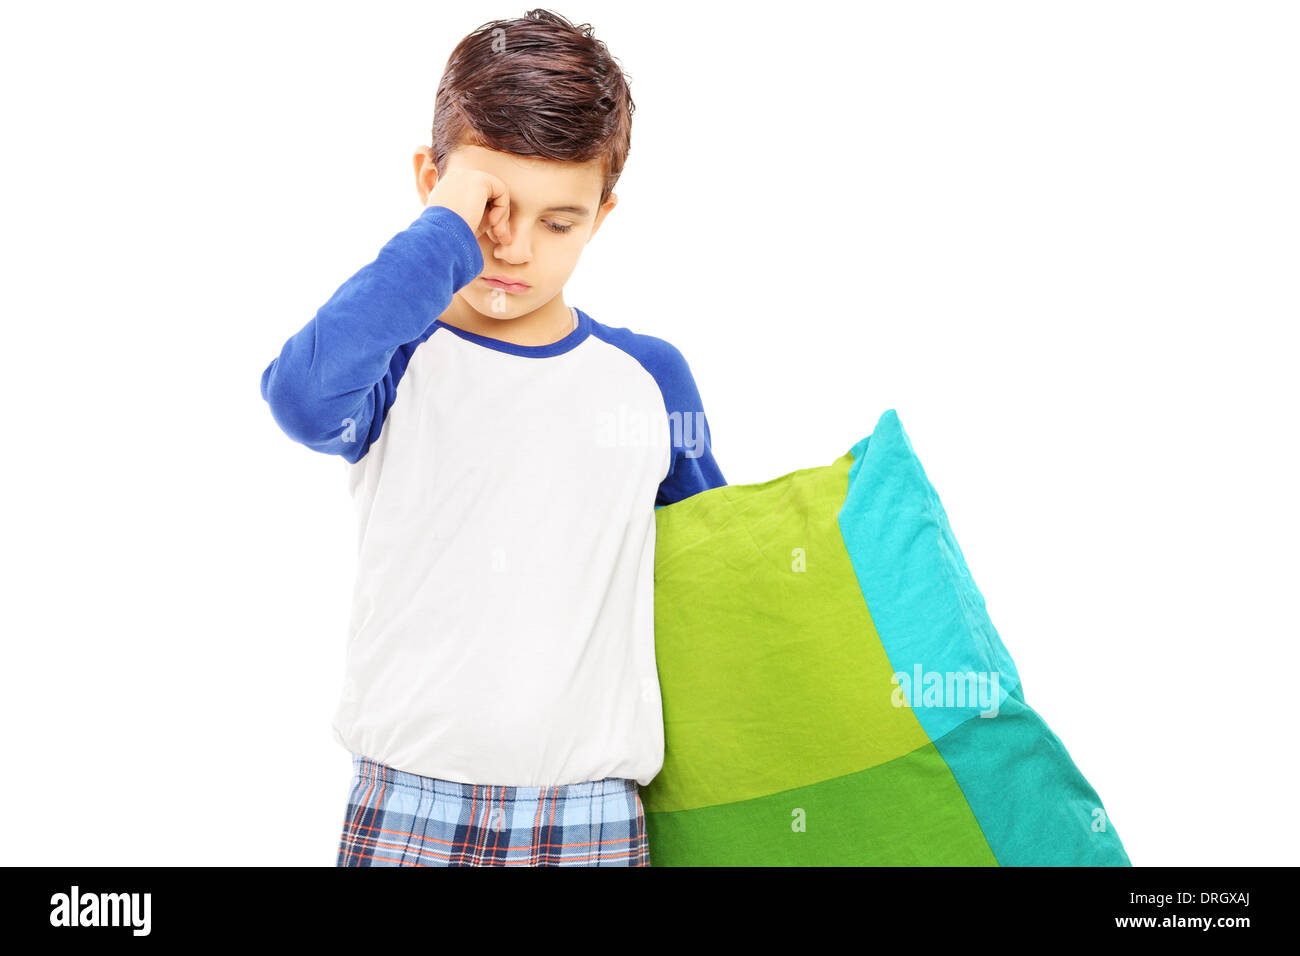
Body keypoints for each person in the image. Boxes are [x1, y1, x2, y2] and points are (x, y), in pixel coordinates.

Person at [258, 9, 726, 866]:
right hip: (408, 801)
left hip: (591, 810)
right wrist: (443, 234)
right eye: (488, 206)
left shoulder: (649, 380)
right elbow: (300, 398)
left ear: (602, 217)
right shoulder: (394, 355)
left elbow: (712, 581)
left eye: (559, 222)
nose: (512, 248)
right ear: (430, 184)